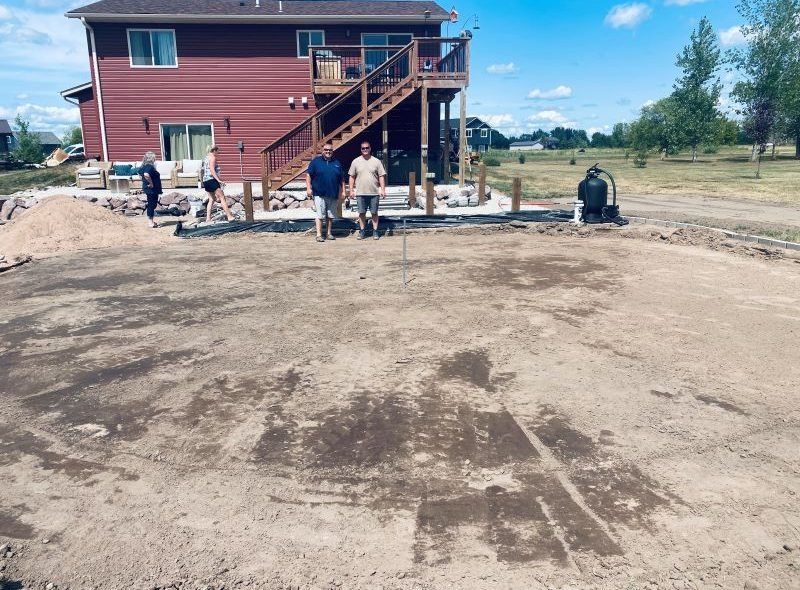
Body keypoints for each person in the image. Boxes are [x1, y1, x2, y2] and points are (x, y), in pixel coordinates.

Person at [306, 141, 346, 242]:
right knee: (320, 215)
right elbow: (308, 175)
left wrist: (343, 192)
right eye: (326, 150)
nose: (328, 152)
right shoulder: (315, 162)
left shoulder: (337, 163)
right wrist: (308, 188)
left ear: (333, 151)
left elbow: (341, 179)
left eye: (330, 150)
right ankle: (319, 235)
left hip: (333, 193)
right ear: (322, 151)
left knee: (330, 215)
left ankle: (329, 233)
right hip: (319, 193)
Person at [348, 141, 386, 240]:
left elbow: (381, 176)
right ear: (361, 149)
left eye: (367, 148)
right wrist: (351, 190)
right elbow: (351, 177)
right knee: (361, 213)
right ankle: (362, 231)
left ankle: (375, 231)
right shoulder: (355, 161)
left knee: (374, 213)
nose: (365, 150)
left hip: (374, 192)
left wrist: (382, 189)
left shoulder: (377, 161)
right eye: (363, 148)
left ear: (370, 148)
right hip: (360, 192)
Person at [202, 145, 235, 222]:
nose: (218, 153)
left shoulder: (206, 158)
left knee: (211, 199)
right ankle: (229, 216)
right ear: (214, 151)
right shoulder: (213, 158)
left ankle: (208, 218)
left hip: (206, 180)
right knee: (222, 198)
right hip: (211, 180)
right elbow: (212, 170)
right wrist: (218, 180)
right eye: (218, 151)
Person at [139, 151, 162, 228]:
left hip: (149, 189)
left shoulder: (144, 166)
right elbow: (146, 174)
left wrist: (145, 182)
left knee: (152, 204)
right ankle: (150, 223)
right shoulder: (149, 166)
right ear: (151, 158)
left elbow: (140, 173)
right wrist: (151, 183)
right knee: (152, 205)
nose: (155, 158)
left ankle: (151, 221)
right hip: (152, 189)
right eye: (154, 157)